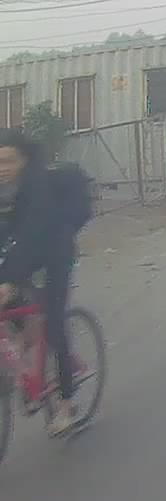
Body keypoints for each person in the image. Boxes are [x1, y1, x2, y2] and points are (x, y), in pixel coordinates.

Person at [0, 128, 83, 436]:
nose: (2, 168)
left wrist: (10, 279)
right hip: (20, 254)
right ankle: (28, 365)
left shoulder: (38, 187)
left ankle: (66, 404)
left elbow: (33, 235)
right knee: (13, 311)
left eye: (8, 161)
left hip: (54, 252)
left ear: (23, 159)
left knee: (54, 322)